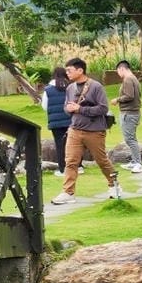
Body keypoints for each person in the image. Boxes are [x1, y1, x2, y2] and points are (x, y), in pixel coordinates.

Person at [50, 57, 120, 205]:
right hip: (75, 129)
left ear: (80, 70)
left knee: (102, 161)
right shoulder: (70, 88)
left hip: (94, 130)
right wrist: (68, 109)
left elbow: (103, 108)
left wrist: (80, 108)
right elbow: (67, 106)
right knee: (70, 161)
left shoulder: (96, 87)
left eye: (70, 70)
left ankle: (114, 184)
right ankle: (68, 192)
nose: (67, 73)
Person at [114, 59, 142, 173]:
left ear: (122, 69)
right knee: (131, 138)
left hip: (129, 113)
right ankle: (134, 161)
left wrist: (117, 99)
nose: (118, 74)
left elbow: (129, 96)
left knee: (130, 139)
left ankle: (138, 163)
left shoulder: (128, 79)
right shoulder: (133, 78)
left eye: (118, 71)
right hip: (132, 112)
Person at [40, 66, 71, 176]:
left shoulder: (48, 89)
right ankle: (78, 166)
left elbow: (44, 106)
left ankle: (63, 169)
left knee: (60, 144)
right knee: (73, 143)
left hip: (55, 122)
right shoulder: (70, 87)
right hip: (70, 120)